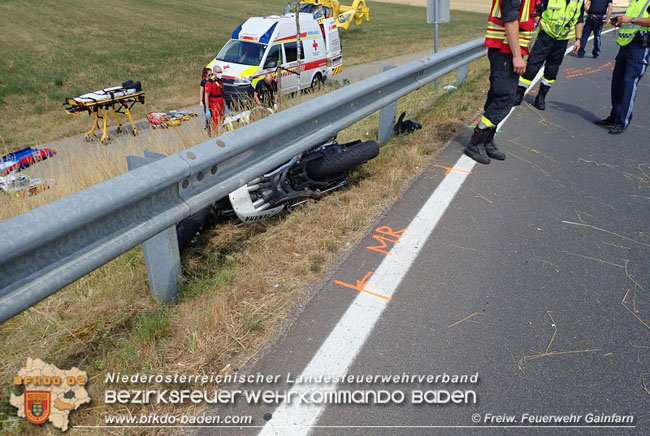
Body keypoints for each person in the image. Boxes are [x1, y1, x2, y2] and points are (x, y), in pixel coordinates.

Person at [464, 0, 536, 165]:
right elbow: (510, 22)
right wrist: (517, 56)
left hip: (508, 49)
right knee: (505, 97)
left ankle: (487, 139)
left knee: (499, 95)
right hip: (505, 50)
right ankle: (476, 141)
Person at [514, 0, 586, 111]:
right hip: (545, 36)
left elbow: (579, 20)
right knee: (532, 66)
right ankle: (519, 94)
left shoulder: (579, 1)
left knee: (552, 70)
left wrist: (578, 39)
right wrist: (540, 23)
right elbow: (535, 10)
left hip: (562, 40)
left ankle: (541, 97)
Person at [595, 0, 650, 134]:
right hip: (626, 45)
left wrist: (630, 19)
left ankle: (621, 121)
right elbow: (632, 23)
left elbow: (640, 21)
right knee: (617, 82)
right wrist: (621, 22)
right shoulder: (634, 2)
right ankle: (615, 116)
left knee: (628, 83)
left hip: (639, 47)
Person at [204, 66, 226, 136]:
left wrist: (225, 105)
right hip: (214, 104)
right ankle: (214, 137)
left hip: (221, 103)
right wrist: (207, 109)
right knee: (215, 123)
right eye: (218, 72)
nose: (220, 74)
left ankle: (220, 134)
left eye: (221, 72)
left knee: (222, 120)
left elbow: (222, 94)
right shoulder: (210, 83)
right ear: (214, 73)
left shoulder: (220, 82)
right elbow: (206, 96)